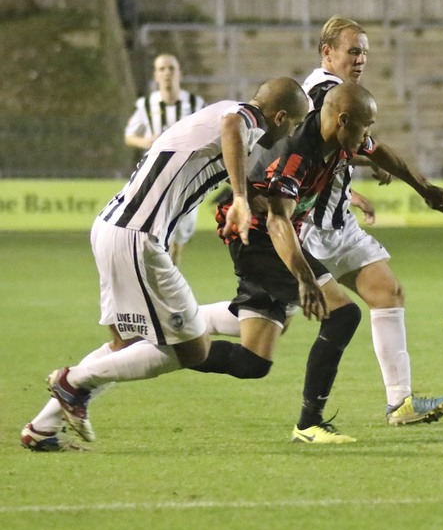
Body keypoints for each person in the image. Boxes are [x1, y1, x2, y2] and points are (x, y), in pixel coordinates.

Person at [21, 78, 309, 451]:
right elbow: (233, 128)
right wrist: (238, 197)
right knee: (194, 349)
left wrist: (256, 204)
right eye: (296, 124)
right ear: (281, 116)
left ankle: (41, 428)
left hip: (114, 227)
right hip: (138, 236)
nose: (294, 132)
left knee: (126, 344)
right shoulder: (243, 118)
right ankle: (73, 381)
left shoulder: (225, 113)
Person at [244, 16, 443, 426]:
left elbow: (362, 148)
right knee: (267, 326)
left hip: (339, 224)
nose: (360, 59)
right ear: (328, 53)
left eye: (364, 52)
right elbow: (311, 151)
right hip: (306, 227)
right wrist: (406, 178)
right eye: (352, 50)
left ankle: (401, 403)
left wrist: (374, 174)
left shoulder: (345, 99)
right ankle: (182, 327)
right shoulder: (324, 96)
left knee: (387, 293)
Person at [194, 82, 382, 444]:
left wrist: (421, 186)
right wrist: (306, 279)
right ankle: (310, 422)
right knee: (343, 314)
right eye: (366, 125)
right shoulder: (298, 152)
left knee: (253, 362)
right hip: (255, 234)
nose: (368, 134)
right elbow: (276, 219)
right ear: (342, 119)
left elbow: (379, 151)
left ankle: (169, 335)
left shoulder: (340, 139)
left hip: (274, 233)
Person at [124, 54, 207, 265]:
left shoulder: (195, 103)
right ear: (156, 75)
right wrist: (145, 142)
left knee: (182, 231)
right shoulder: (146, 105)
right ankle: (160, 271)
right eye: (162, 69)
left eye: (171, 68)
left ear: (179, 73)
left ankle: (173, 264)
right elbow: (129, 136)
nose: (167, 73)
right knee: (157, 226)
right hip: (156, 174)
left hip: (187, 174)